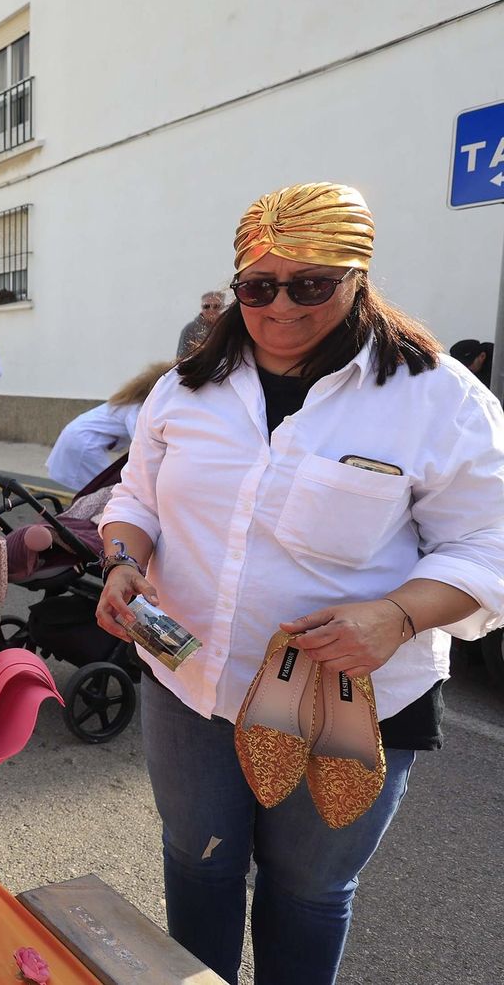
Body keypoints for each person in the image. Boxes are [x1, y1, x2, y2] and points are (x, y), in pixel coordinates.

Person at [96, 182, 504, 985]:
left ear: (357, 278)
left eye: (310, 283)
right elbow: (134, 498)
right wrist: (122, 560)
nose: (281, 305)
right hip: (192, 685)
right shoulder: (187, 390)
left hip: (346, 702)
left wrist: (396, 615)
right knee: (200, 865)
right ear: (237, 286)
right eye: (259, 286)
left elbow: (489, 540)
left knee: (310, 892)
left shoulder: (435, 396)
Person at [45, 361, 170, 491]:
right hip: (85, 442)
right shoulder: (136, 409)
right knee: (105, 489)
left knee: (93, 488)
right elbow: (143, 443)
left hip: (77, 435)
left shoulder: (128, 403)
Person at [175, 291, 226, 358]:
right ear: (202, 308)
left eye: (216, 306)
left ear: (223, 307)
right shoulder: (190, 329)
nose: (211, 309)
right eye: (206, 306)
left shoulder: (230, 326)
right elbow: (182, 359)